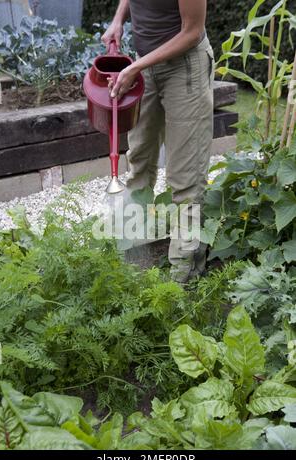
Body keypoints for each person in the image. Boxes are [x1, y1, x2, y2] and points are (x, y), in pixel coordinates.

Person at [102, 0, 214, 283]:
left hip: (184, 68)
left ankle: (182, 281)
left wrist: (136, 66)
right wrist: (118, 19)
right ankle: (133, 262)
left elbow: (192, 31)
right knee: (138, 162)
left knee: (185, 180)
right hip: (145, 68)